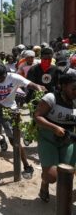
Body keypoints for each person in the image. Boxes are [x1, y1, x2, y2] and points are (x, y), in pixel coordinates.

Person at [0, 63, 46, 180]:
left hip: (12, 110)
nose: (0, 79)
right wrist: (3, 107)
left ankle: (26, 166)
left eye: (2, 77)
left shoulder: (14, 77)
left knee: (14, 139)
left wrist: (39, 88)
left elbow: (30, 84)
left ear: (6, 73)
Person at [34, 73, 76, 202]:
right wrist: (54, 128)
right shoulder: (51, 98)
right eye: (74, 88)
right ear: (63, 86)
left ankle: (63, 205)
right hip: (48, 138)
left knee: (67, 175)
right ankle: (44, 183)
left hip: (68, 140)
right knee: (52, 176)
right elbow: (37, 117)